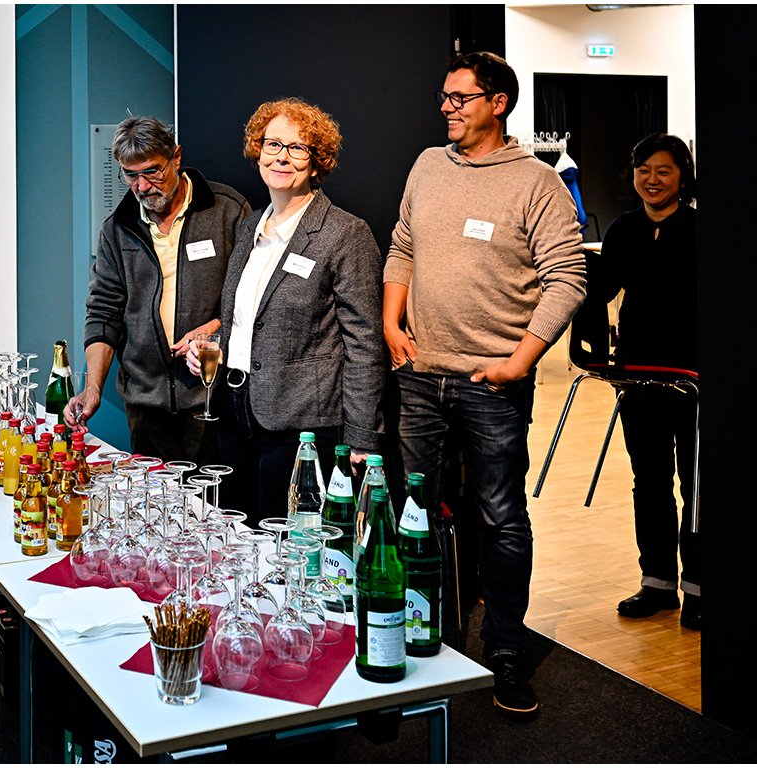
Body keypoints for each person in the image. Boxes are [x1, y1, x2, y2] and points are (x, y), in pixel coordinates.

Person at [383, 53, 586, 721]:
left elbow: (568, 279)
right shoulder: (427, 166)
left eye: (460, 98)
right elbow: (403, 245)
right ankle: (427, 638)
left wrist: (521, 360)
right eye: (444, 96)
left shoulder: (538, 183)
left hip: (492, 382)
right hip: (421, 378)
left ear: (498, 103)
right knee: (416, 515)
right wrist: (391, 323)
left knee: (500, 518)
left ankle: (504, 651)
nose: (447, 108)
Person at [188, 97, 384, 525]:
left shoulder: (345, 234)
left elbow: (365, 344)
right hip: (235, 413)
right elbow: (248, 321)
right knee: (237, 537)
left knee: (286, 547)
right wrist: (213, 349)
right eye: (272, 144)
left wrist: (362, 436)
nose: (281, 156)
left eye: (297, 148)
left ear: (316, 162)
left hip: (302, 425)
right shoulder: (250, 226)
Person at [64, 116, 250, 464]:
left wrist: (214, 329)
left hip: (214, 398)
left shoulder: (227, 210)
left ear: (176, 157)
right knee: (156, 496)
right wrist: (92, 389)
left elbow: (253, 299)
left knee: (215, 496)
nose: (143, 186)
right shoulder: (117, 228)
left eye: (152, 172)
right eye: (130, 175)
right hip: (146, 406)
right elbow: (103, 313)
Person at [593, 134, 699, 630]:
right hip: (637, 375)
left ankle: (700, 587)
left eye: (664, 170)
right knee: (649, 482)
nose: (652, 180)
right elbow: (599, 292)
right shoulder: (623, 229)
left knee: (698, 485)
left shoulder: (701, 228)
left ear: (683, 176)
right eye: (644, 170)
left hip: (695, 377)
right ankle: (657, 583)